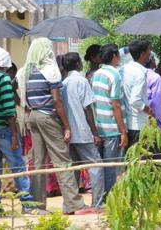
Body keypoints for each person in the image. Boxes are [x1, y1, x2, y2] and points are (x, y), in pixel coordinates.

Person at [18, 38, 93, 215]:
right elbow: (57, 102)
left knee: (37, 162)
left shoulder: (25, 71)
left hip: (33, 116)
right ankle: (75, 204)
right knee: (62, 161)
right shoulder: (50, 70)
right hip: (48, 116)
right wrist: (67, 126)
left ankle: (37, 206)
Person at [0, 47, 33, 214]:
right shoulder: (3, 78)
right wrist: (14, 134)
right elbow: (9, 109)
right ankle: (27, 204)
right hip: (4, 129)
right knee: (18, 165)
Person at [61, 52, 104, 210]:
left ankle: (70, 205)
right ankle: (98, 203)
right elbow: (88, 109)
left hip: (68, 133)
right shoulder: (81, 81)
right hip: (82, 131)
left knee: (73, 169)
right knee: (96, 166)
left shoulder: (63, 83)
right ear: (78, 64)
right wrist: (95, 133)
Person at [92, 44, 128, 195]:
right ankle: (109, 197)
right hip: (112, 127)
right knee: (112, 167)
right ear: (114, 57)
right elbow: (116, 104)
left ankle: (101, 197)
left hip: (99, 125)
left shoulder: (97, 74)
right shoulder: (115, 75)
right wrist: (123, 131)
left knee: (103, 166)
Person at [119, 39, 153, 147]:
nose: (150, 54)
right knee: (141, 161)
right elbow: (135, 100)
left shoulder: (123, 69)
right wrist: (148, 109)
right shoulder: (140, 73)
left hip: (128, 122)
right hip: (138, 124)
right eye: (149, 51)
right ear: (143, 54)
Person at [145, 54, 161, 129]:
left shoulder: (137, 73)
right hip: (151, 119)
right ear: (151, 61)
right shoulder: (155, 77)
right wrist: (160, 124)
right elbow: (156, 102)